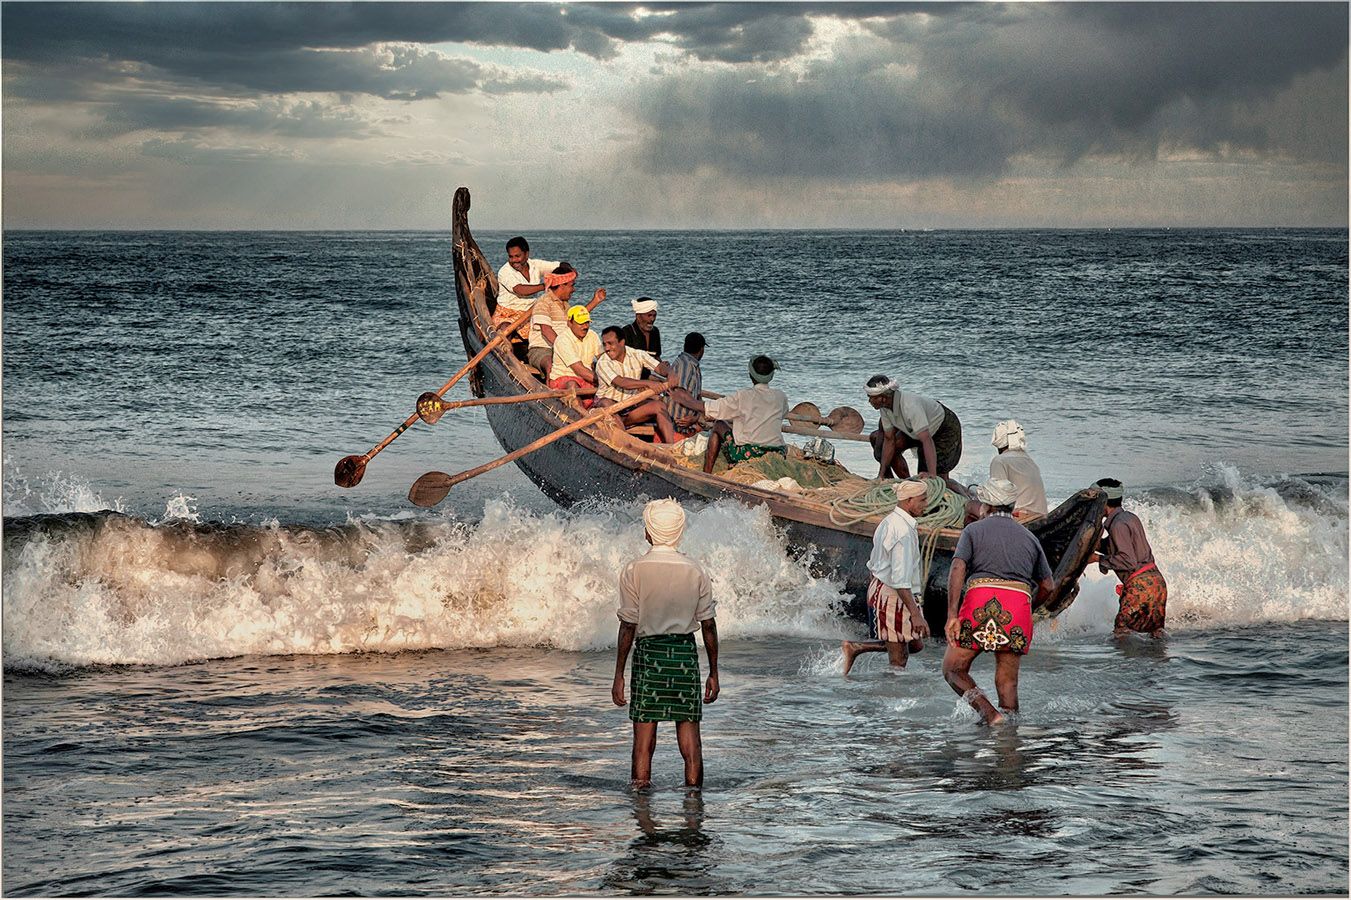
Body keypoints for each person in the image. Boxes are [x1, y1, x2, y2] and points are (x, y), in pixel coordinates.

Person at [613, 499, 720, 789]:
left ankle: (642, 806)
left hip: (649, 656)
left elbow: (628, 626)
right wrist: (713, 672)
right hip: (684, 656)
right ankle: (693, 802)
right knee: (691, 743)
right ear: (679, 532)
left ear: (648, 532)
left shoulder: (634, 569)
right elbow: (708, 625)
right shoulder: (695, 569)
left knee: (643, 743)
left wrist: (619, 676)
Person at [943, 478, 1054, 725]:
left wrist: (952, 615)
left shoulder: (972, 530)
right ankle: (1009, 740)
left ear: (986, 505)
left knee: (953, 669)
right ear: (1012, 507)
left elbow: (958, 567)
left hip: (982, 602)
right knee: (1007, 683)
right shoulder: (1029, 537)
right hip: (1017, 608)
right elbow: (1048, 586)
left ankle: (990, 715)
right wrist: (1028, 609)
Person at [841, 479, 932, 675]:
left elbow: (874, 561)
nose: (926, 504)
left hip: (886, 588)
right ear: (908, 501)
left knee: (915, 644)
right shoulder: (902, 531)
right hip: (894, 594)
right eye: (922, 500)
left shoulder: (890, 521)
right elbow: (899, 581)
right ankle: (891, 699)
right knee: (899, 659)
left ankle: (858, 647)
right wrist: (915, 614)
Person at [670, 355, 788, 474]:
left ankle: (707, 473)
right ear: (770, 376)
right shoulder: (781, 396)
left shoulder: (743, 396)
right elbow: (782, 414)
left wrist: (683, 400)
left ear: (750, 375)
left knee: (718, 424)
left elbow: (711, 408)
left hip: (749, 453)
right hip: (778, 452)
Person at [1094, 478, 1167, 637]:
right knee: (1156, 633)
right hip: (1157, 584)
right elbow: (1116, 547)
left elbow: (1127, 560)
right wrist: (1094, 544)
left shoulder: (1117, 525)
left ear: (1103, 502)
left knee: (1122, 633)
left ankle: (1126, 663)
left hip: (1139, 586)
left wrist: (1096, 559)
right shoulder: (1129, 517)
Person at [864, 375, 964, 488]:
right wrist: (880, 476)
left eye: (871, 397)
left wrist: (932, 474)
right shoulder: (885, 407)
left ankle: (966, 496)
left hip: (943, 429)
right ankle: (907, 484)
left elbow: (926, 440)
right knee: (887, 448)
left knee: (936, 481)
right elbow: (889, 439)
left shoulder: (910, 406)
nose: (869, 401)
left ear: (882, 398)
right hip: (917, 430)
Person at [596, 326, 677, 443]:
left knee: (659, 406)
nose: (607, 348)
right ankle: (626, 444)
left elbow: (659, 367)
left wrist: (671, 373)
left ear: (622, 342)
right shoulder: (602, 363)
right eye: (605, 344)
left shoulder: (638, 354)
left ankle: (671, 448)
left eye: (610, 343)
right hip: (608, 410)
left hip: (629, 410)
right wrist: (649, 383)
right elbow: (621, 382)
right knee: (606, 402)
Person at [527, 263, 604, 376]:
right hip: (542, 349)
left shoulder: (565, 305)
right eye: (571, 285)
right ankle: (551, 390)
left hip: (563, 348)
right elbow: (546, 331)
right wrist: (564, 349)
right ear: (562, 285)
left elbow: (577, 319)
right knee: (551, 366)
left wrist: (595, 300)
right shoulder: (543, 302)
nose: (573, 290)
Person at [494, 237, 558, 358]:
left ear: (526, 254)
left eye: (517, 256)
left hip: (529, 314)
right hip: (507, 314)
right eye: (511, 257)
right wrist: (544, 286)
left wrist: (567, 272)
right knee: (505, 329)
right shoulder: (505, 271)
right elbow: (520, 290)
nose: (514, 260)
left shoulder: (535, 265)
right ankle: (508, 360)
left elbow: (557, 266)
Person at [988, 420, 1048, 516]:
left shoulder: (999, 460)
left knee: (971, 506)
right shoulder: (1029, 460)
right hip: (1041, 514)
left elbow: (998, 498)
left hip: (1018, 517)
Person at [547, 304, 602, 407]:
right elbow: (579, 370)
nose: (585, 326)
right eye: (581, 323)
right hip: (563, 380)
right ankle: (580, 416)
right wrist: (606, 381)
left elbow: (603, 358)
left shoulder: (593, 335)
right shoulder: (563, 340)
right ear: (569, 323)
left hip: (586, 380)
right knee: (572, 385)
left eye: (587, 322)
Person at [666, 333, 706, 437]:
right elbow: (680, 393)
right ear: (701, 349)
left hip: (691, 421)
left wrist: (697, 417)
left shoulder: (693, 365)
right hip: (679, 423)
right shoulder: (685, 364)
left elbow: (696, 397)